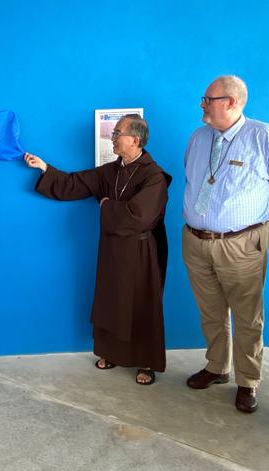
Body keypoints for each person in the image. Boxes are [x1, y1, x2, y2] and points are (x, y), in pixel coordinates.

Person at [24, 114, 171, 385]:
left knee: (140, 305)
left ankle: (146, 362)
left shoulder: (154, 176)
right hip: (112, 250)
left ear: (135, 140)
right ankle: (112, 352)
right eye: (113, 134)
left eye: (117, 134)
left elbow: (140, 216)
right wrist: (44, 168)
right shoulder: (110, 171)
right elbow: (75, 183)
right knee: (111, 302)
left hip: (139, 253)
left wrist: (105, 206)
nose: (112, 139)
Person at [183, 75, 269, 413]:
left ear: (230, 102)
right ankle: (217, 367)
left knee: (248, 316)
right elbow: (192, 178)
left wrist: (258, 229)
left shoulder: (265, 137)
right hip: (196, 241)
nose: (202, 104)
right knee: (211, 312)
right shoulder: (198, 137)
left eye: (208, 99)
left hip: (242, 245)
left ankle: (248, 381)